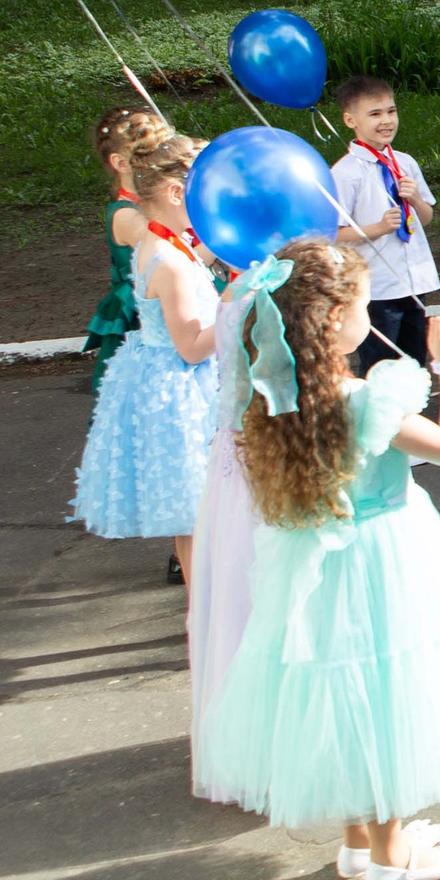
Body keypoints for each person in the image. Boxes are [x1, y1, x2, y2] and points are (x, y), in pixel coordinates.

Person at [199, 242, 440, 880]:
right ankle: (391, 858)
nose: (368, 313)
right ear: (333, 320)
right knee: (389, 692)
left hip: (316, 566)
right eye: (360, 303)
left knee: (344, 692)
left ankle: (360, 842)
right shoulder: (363, 399)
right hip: (385, 560)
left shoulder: (274, 403)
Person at [71, 134, 220, 590]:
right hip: (187, 390)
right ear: (177, 194)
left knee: (200, 515)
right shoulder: (169, 263)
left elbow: (198, 261)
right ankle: (204, 613)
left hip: (169, 380)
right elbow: (192, 346)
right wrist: (239, 308)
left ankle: (208, 609)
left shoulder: (161, 243)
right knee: (200, 515)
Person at [188, 270, 263, 802]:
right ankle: (268, 744)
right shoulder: (277, 292)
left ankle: (242, 742)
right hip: (265, 460)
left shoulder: (238, 289)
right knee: (263, 596)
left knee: (235, 593)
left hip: (231, 460)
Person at [331, 75, 440, 370]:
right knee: (380, 367)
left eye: (391, 111)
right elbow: (331, 234)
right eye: (375, 114)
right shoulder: (345, 173)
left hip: (414, 281)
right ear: (350, 119)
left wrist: (416, 199)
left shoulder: (405, 162)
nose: (386, 121)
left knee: (414, 363)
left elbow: (427, 217)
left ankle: (411, 413)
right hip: (376, 287)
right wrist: (376, 229)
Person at [81, 105, 172, 394]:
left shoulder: (151, 206)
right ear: (121, 163)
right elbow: (177, 250)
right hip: (144, 313)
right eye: (147, 156)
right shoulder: (127, 216)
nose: (161, 162)